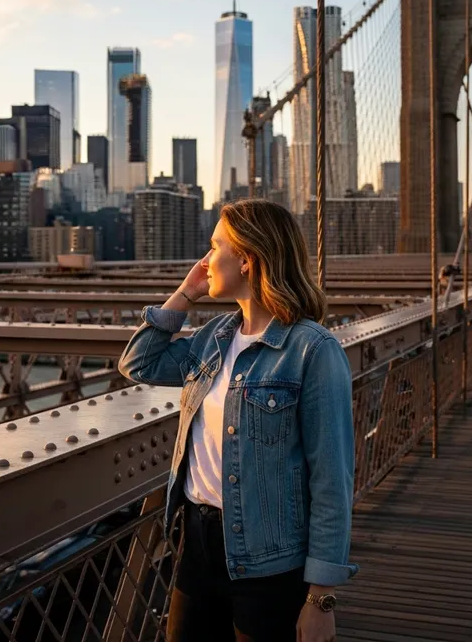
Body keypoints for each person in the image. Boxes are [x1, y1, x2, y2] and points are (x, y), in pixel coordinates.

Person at [118, 199, 356, 642]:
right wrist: (185, 294)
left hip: (269, 561)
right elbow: (139, 363)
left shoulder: (313, 351)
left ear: (246, 259)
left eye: (214, 247)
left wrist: (320, 598)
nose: (204, 261)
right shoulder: (213, 339)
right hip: (197, 546)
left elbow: (332, 482)